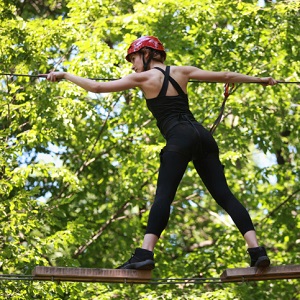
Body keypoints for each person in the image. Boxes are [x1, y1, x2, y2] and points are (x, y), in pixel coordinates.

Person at [45, 36, 277, 270]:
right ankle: (257, 251)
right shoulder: (183, 71)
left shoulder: (142, 77)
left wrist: (65, 75)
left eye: (134, 58)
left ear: (146, 54)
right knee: (225, 196)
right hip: (202, 135)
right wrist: (261, 80)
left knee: (164, 197)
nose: (132, 64)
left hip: (179, 138)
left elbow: (97, 87)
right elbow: (226, 76)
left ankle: (145, 253)